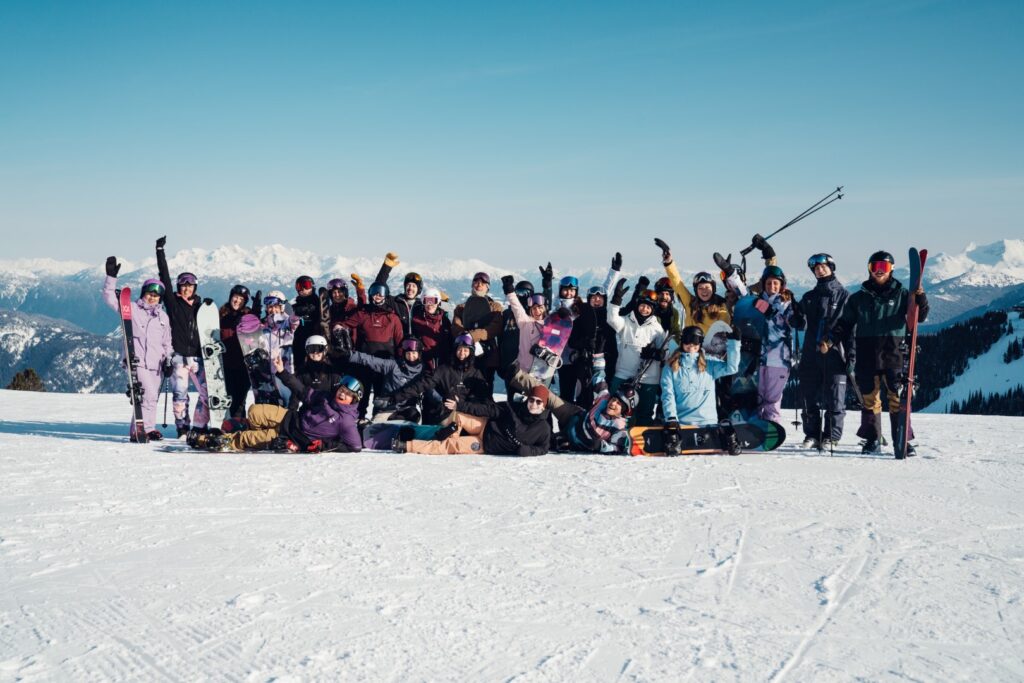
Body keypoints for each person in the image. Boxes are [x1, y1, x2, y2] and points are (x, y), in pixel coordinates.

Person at [828, 250, 929, 455]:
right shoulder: (859, 298)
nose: (879, 271)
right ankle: (872, 439)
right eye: (875, 267)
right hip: (867, 353)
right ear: (869, 270)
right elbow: (845, 323)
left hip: (894, 352)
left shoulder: (903, 294)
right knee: (870, 399)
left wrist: (921, 297)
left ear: (891, 270)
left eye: (884, 267)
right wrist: (831, 339)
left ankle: (902, 440)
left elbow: (920, 316)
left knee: (897, 399)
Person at [198, 358, 363, 453]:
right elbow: (302, 390)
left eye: (348, 394)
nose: (342, 394)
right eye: (342, 390)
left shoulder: (347, 421)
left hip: (293, 437)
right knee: (255, 411)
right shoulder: (326, 397)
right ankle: (247, 425)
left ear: (354, 399)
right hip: (290, 417)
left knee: (248, 439)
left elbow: (355, 446)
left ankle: (220, 440)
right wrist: (282, 372)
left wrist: (325, 445)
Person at [102, 257, 173, 441]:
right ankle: (138, 430)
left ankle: (147, 429)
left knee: (151, 399)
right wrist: (111, 278)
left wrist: (169, 360)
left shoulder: (163, 317)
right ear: (143, 293)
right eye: (149, 293)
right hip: (137, 361)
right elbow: (110, 299)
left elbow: (167, 343)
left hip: (156, 364)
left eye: (156, 295)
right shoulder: (131, 308)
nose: (152, 297)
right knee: (147, 394)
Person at [793, 253, 850, 449]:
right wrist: (794, 315)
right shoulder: (809, 297)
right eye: (816, 268)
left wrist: (846, 351)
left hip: (834, 354)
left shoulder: (844, 295)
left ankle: (831, 436)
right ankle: (812, 435)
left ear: (832, 267)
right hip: (811, 353)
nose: (820, 270)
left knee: (834, 398)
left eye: (823, 266)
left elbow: (849, 327)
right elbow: (799, 322)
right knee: (809, 397)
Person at [396, 385, 551, 456]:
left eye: (538, 402)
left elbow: (543, 448)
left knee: (450, 446)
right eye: (532, 400)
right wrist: (460, 405)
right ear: (527, 399)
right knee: (459, 417)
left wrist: (528, 451)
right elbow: (486, 409)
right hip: (484, 426)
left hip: (485, 445)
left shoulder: (543, 428)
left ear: (543, 406)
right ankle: (443, 434)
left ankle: (408, 445)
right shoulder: (512, 407)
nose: (534, 404)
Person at [155, 236, 209, 436]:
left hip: (197, 356)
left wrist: (208, 308)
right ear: (179, 287)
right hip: (178, 357)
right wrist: (160, 251)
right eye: (183, 285)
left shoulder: (200, 307)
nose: (186, 288)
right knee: (180, 396)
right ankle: (183, 428)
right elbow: (164, 277)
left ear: (195, 287)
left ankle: (199, 425)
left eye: (190, 285)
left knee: (207, 394)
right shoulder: (173, 303)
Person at [660, 324, 743, 454]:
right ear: (682, 342)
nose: (691, 345)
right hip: (683, 423)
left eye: (696, 341)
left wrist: (734, 343)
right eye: (687, 341)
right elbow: (667, 395)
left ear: (700, 343)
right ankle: (673, 440)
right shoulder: (671, 367)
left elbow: (732, 368)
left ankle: (729, 440)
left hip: (708, 422)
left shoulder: (709, 365)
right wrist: (671, 418)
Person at [390, 333, 494, 425]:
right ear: (455, 350)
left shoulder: (475, 373)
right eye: (459, 349)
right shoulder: (444, 370)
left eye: (465, 350)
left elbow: (486, 398)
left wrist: (462, 405)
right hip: (447, 416)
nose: (462, 353)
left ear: (471, 352)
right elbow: (421, 385)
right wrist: (395, 398)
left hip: (467, 414)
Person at [607, 278, 670, 426]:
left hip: (649, 378)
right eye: (642, 305)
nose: (644, 309)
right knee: (617, 410)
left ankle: (642, 442)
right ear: (637, 305)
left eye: (648, 307)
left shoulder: (657, 329)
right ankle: (615, 435)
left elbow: (665, 353)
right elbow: (611, 319)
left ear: (653, 309)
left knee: (644, 413)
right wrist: (616, 300)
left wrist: (657, 354)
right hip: (623, 374)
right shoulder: (627, 322)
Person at [559, 254, 619, 407]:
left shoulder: (610, 316)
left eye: (600, 298)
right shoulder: (583, 313)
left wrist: (614, 271)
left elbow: (608, 293)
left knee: (604, 395)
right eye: (593, 298)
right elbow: (572, 339)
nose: (597, 300)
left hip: (608, 361)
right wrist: (585, 343)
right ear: (588, 298)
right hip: (584, 362)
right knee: (583, 397)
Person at [341, 281, 404, 421]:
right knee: (361, 394)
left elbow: (400, 342)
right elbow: (345, 325)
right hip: (364, 362)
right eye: (374, 293)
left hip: (385, 365)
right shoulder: (363, 314)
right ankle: (359, 419)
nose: (377, 296)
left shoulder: (393, 318)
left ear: (386, 296)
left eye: (380, 294)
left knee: (380, 396)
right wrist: (339, 329)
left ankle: (377, 421)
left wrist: (400, 363)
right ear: (370, 296)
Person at [750, 266, 800, 424]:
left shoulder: (786, 304)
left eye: (776, 283)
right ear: (763, 284)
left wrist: (797, 316)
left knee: (772, 398)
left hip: (779, 359)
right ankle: (755, 429)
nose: (772, 287)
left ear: (781, 285)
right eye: (769, 283)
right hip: (758, 357)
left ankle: (772, 427)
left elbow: (795, 322)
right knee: (756, 396)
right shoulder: (756, 301)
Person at [336, 336, 427, 422]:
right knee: (376, 428)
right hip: (386, 409)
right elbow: (371, 360)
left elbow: (430, 384)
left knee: (414, 414)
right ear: (404, 354)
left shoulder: (422, 370)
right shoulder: (393, 365)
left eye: (414, 353)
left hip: (407, 410)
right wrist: (350, 355)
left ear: (419, 354)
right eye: (408, 353)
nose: (411, 357)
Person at [654, 238, 731, 333]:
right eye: (700, 288)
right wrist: (669, 262)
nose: (704, 290)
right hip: (689, 346)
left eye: (707, 287)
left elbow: (725, 331)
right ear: (696, 290)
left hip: (709, 347)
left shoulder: (721, 308)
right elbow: (677, 284)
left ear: (713, 289)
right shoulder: (690, 303)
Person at [451, 272, 504, 392]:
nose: (479, 284)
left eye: (483, 282)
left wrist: (471, 336)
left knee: (485, 389)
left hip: (488, 356)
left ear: (488, 287)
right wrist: (469, 339)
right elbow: (456, 327)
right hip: (464, 355)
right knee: (465, 389)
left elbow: (495, 327)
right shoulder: (461, 307)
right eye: (476, 281)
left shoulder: (495, 307)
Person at [219, 284, 255, 419]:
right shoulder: (222, 314)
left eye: (241, 299)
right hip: (226, 364)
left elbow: (255, 331)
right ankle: (226, 423)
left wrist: (256, 311)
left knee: (240, 398)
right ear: (230, 297)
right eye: (235, 297)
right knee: (227, 396)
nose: (237, 301)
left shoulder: (247, 315)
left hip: (243, 366)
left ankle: (238, 424)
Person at [287, 335, 341, 410]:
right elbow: (296, 392)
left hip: (327, 410)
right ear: (307, 351)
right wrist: (292, 411)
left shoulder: (332, 371)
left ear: (325, 350)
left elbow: (337, 394)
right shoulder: (302, 371)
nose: (315, 352)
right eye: (311, 349)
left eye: (319, 348)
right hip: (308, 410)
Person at [410, 287, 452, 371]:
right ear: (423, 302)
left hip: (442, 364)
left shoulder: (444, 320)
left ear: (438, 302)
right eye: (427, 301)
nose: (430, 305)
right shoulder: (416, 320)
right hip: (423, 365)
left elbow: (449, 342)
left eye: (433, 301)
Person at [291, 275, 321, 373]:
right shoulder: (295, 306)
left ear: (312, 286)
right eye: (299, 286)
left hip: (315, 342)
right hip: (298, 343)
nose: (303, 289)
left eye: (306, 285)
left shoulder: (319, 304)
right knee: (299, 369)